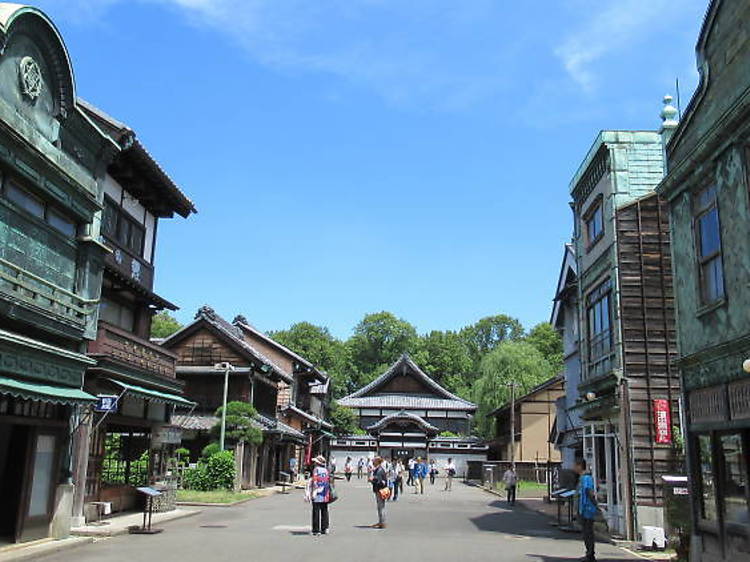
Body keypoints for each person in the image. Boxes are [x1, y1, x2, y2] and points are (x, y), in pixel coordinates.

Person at [575, 458, 599, 562]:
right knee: (585, 533)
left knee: (588, 533)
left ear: (580, 466)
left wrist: (595, 505)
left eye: (575, 465)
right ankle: (588, 553)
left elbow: (589, 492)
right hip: (583, 509)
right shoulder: (582, 478)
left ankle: (590, 554)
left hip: (587, 509)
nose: (574, 467)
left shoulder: (586, 478)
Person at [305, 455, 332, 536]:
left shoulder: (316, 470)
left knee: (316, 511)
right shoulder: (326, 470)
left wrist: (311, 492)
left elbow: (315, 481)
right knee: (324, 511)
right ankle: (325, 528)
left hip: (317, 493)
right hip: (325, 493)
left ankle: (316, 530)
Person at [370, 456, 388, 528]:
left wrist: (372, 480)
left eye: (374, 461)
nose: (373, 462)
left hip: (380, 490)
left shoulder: (379, 470)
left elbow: (379, 481)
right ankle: (381, 521)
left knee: (381, 507)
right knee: (380, 506)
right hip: (379, 490)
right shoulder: (378, 469)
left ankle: (382, 522)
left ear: (377, 461)